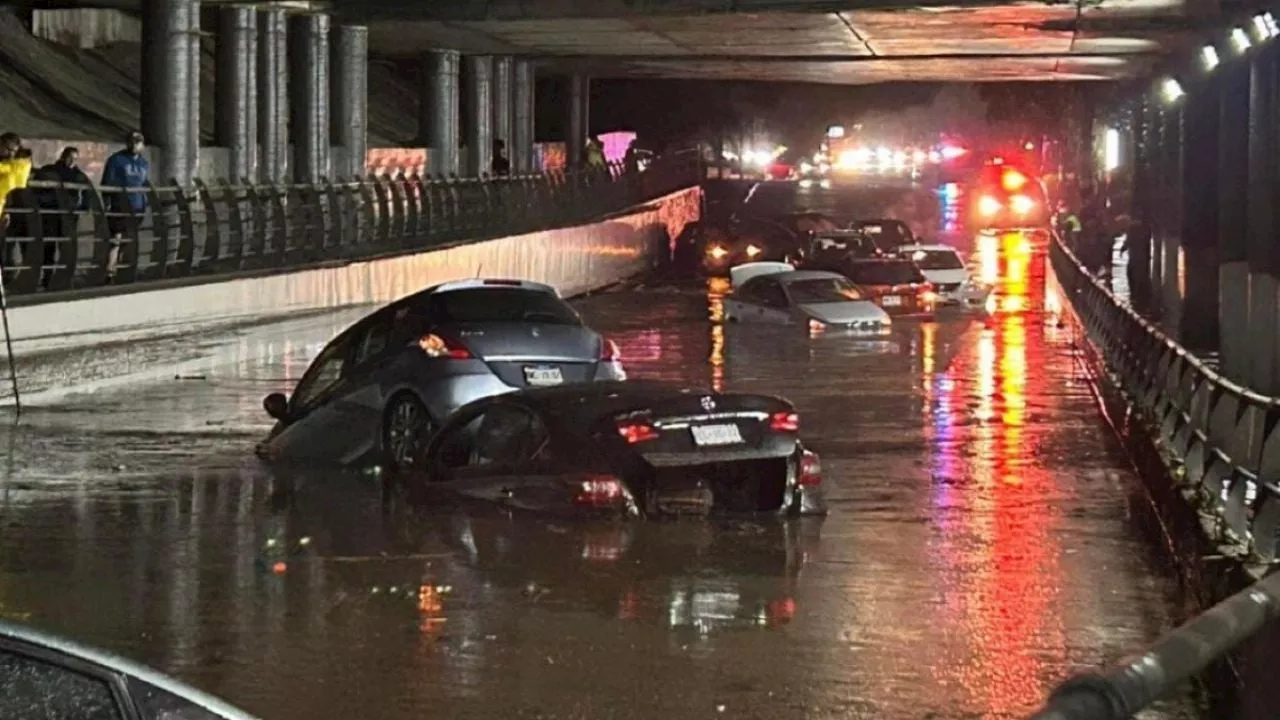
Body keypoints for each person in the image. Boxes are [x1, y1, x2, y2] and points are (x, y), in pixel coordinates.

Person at [33, 147, 91, 289]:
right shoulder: (50, 170)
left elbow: (88, 192)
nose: (72, 161)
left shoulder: (78, 175)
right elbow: (37, 189)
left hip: (68, 215)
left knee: (65, 248)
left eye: (75, 158)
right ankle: (48, 277)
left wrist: (83, 207)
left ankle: (62, 278)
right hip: (51, 214)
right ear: (63, 156)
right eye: (70, 157)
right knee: (49, 247)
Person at [100, 130, 150, 283]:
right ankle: (110, 271)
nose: (134, 145)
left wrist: (145, 201)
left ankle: (121, 269)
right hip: (119, 206)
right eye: (132, 141)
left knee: (128, 241)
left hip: (138, 206)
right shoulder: (117, 160)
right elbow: (107, 182)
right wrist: (108, 201)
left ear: (142, 145)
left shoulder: (143, 164)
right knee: (116, 239)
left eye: (137, 142)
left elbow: (143, 183)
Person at [0, 132, 33, 270]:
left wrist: (7, 210)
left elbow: (9, 185)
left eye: (12, 150)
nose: (10, 154)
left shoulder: (15, 165)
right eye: (8, 149)